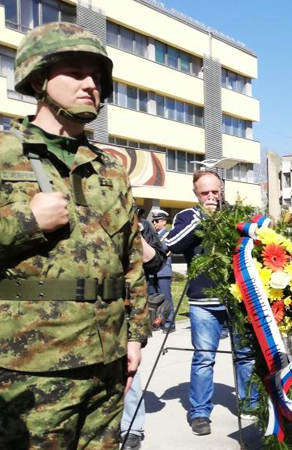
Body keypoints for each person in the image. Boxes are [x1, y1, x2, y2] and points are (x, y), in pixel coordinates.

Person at [0, 22, 149, 449]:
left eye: (97, 77)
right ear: (38, 80)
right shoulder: (5, 152)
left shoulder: (110, 167)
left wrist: (135, 336)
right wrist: (26, 220)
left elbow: (130, 258)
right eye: (77, 72)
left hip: (107, 360)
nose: (91, 85)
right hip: (30, 365)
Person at [165, 171, 258, 436]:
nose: (211, 197)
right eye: (205, 193)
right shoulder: (187, 216)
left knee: (245, 355)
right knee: (204, 358)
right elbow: (172, 244)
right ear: (195, 193)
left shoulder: (235, 215)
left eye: (215, 192)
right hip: (203, 301)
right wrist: (202, 219)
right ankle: (199, 412)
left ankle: (250, 404)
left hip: (237, 298)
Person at [120, 213, 168, 450]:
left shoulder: (143, 225)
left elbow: (155, 262)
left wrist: (135, 232)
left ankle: (131, 427)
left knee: (128, 365)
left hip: (126, 304)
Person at [149, 209, 175, 333]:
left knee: (166, 299)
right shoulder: (152, 235)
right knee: (153, 299)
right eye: (153, 221)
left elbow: (163, 248)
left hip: (163, 271)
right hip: (152, 271)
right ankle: (156, 322)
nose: (154, 223)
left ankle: (169, 323)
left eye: (157, 221)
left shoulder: (169, 235)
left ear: (164, 221)